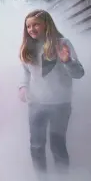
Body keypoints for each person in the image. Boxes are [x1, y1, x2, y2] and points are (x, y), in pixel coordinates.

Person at [18, 9, 84, 172]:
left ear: (47, 25)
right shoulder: (27, 48)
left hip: (60, 104)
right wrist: (22, 87)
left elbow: (79, 74)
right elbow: (26, 73)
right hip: (36, 104)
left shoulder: (62, 43)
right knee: (36, 146)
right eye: (28, 26)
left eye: (35, 25)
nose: (31, 29)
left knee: (57, 144)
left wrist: (67, 60)